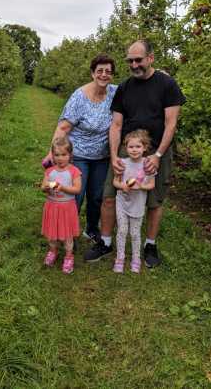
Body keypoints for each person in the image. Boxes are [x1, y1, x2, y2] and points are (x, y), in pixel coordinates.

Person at [84, 39, 186, 267]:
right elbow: (116, 125)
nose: (134, 65)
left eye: (138, 60)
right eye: (130, 61)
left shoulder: (167, 84)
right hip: (126, 150)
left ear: (150, 58)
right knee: (110, 195)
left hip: (156, 150)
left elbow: (171, 124)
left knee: (154, 200)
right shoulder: (125, 87)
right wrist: (114, 156)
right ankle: (106, 242)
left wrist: (158, 155)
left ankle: (150, 245)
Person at [43, 54, 117, 242]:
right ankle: (68, 233)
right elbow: (63, 127)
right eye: (99, 71)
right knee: (75, 195)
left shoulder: (115, 93)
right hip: (80, 155)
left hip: (102, 156)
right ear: (92, 73)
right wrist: (52, 152)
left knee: (97, 196)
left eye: (108, 71)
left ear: (112, 75)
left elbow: (137, 90)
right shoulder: (79, 97)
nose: (103, 74)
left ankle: (91, 229)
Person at [113, 129, 155, 274]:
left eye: (138, 146)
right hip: (122, 202)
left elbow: (151, 185)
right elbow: (115, 182)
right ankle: (120, 258)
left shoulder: (148, 164)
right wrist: (123, 185)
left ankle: (136, 259)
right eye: (131, 147)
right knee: (122, 230)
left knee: (135, 233)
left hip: (137, 204)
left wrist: (141, 186)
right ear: (126, 148)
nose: (134, 150)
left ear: (145, 148)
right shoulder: (122, 163)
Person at [41, 137, 82, 274]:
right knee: (52, 234)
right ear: (52, 155)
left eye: (64, 154)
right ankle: (53, 251)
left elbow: (77, 189)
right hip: (52, 206)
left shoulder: (74, 171)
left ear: (70, 155)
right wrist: (46, 188)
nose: (60, 158)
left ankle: (69, 256)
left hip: (67, 208)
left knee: (66, 235)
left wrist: (63, 188)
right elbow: (43, 187)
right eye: (57, 155)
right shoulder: (49, 171)